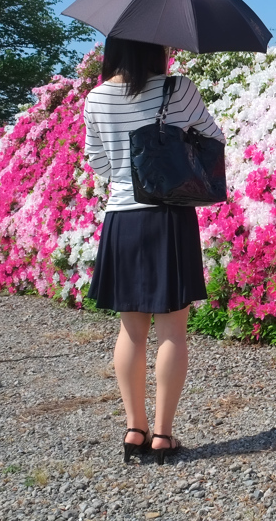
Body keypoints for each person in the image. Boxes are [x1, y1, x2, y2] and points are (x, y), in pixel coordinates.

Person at [83, 36, 224, 465]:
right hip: (169, 216)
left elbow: (100, 163)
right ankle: (163, 435)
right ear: (156, 47)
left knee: (131, 331)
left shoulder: (97, 98)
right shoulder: (178, 89)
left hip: (122, 218)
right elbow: (213, 138)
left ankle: (133, 429)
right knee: (172, 333)